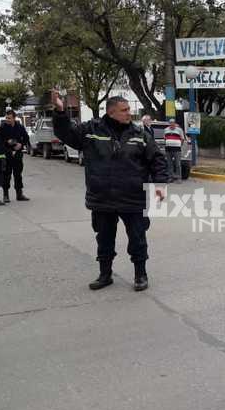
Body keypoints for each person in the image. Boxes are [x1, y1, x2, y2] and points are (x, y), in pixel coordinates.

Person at [52, 94, 168, 292]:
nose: (128, 114)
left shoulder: (139, 134)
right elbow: (66, 133)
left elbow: (157, 159)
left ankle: (141, 274)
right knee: (104, 239)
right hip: (102, 198)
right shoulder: (90, 131)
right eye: (124, 110)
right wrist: (61, 112)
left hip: (132, 198)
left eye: (129, 110)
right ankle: (105, 275)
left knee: (138, 239)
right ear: (111, 112)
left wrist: (159, 186)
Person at [0, 110, 31, 202]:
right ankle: (6, 195)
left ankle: (19, 194)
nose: (7, 120)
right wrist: (7, 142)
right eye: (6, 118)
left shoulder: (19, 127)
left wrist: (21, 144)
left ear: (14, 118)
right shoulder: (3, 127)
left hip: (17, 154)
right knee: (6, 175)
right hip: (7, 154)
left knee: (18, 174)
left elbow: (26, 137)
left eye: (9, 118)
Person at [163, 118, 185, 183]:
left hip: (177, 149)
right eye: (170, 123)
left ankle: (178, 178)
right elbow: (165, 138)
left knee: (177, 164)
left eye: (173, 123)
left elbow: (182, 139)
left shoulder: (179, 130)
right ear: (169, 123)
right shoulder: (165, 130)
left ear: (175, 124)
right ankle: (170, 177)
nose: (171, 124)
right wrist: (168, 143)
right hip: (168, 149)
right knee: (169, 164)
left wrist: (179, 145)